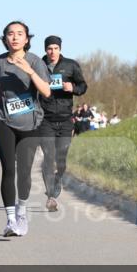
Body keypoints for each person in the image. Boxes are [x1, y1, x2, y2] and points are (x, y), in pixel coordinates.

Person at [0, 20, 51, 237]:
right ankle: (11, 220)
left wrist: (30, 72)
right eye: (10, 34)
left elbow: (47, 92)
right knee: (8, 169)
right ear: (5, 39)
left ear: (26, 39)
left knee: (24, 171)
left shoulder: (35, 62)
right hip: (2, 119)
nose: (14, 37)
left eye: (19, 33)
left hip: (30, 124)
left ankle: (22, 213)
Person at [39, 35, 88, 211]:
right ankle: (51, 195)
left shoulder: (71, 65)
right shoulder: (38, 66)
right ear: (45, 50)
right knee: (48, 157)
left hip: (66, 119)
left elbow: (83, 86)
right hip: (45, 119)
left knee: (61, 160)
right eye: (49, 48)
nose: (52, 52)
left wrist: (72, 88)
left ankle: (57, 179)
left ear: (60, 49)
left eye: (55, 48)